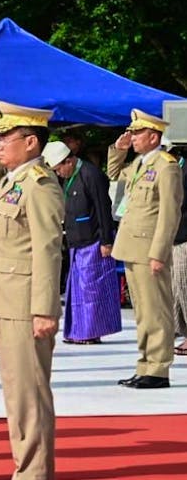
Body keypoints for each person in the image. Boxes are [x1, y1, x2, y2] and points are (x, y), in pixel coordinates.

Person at [0, 101, 63, 480]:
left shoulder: (39, 184)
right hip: (6, 299)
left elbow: (47, 249)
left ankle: (34, 471)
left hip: (25, 302)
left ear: (32, 142)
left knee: (29, 393)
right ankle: (25, 465)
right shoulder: (12, 180)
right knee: (15, 391)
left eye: (7, 137)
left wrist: (44, 309)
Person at [106, 109, 183, 388]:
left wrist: (159, 252)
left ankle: (159, 369)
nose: (133, 137)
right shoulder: (140, 164)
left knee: (156, 310)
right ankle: (145, 364)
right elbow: (114, 173)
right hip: (131, 245)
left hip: (150, 248)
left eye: (137, 133)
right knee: (142, 311)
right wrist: (119, 149)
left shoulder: (166, 166)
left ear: (153, 136)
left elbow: (169, 213)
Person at [42, 141, 121, 345]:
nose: (58, 173)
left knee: (92, 289)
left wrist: (106, 240)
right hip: (77, 241)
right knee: (77, 291)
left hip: (94, 240)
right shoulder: (68, 178)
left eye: (59, 168)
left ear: (68, 161)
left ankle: (91, 332)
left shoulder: (91, 174)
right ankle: (78, 330)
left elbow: (103, 207)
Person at [167, 138, 187, 357]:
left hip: (184, 235)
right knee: (173, 286)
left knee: (184, 285)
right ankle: (173, 328)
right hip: (170, 236)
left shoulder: (183, 171)